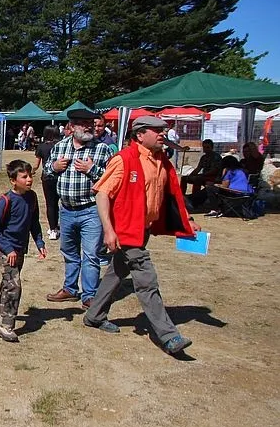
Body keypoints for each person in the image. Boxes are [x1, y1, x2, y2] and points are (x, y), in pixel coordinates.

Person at [82, 115, 199, 355]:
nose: (162, 134)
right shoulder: (124, 160)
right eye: (156, 131)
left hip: (143, 229)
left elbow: (171, 196)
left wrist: (188, 220)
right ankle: (168, 335)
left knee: (116, 273)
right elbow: (102, 193)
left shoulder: (161, 160)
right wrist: (108, 230)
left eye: (163, 130)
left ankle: (94, 316)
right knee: (147, 281)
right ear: (139, 135)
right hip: (126, 232)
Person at [44, 107, 113, 308]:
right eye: (83, 123)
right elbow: (48, 172)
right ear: (72, 127)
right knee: (69, 252)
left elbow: (111, 181)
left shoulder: (102, 149)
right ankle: (70, 289)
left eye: (90, 123)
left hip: (91, 210)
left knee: (91, 254)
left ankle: (89, 295)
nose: (89, 127)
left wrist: (92, 170)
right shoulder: (60, 147)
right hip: (66, 209)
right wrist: (54, 168)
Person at [0, 159, 47, 342]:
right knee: (14, 286)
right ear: (13, 180)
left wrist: (40, 242)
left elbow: (33, 223)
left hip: (20, 249)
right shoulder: (5, 200)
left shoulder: (32, 197)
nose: (29, 180)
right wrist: (8, 249)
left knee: (8, 280)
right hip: (6, 249)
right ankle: (6, 326)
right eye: (24, 176)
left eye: (30, 176)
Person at [33, 125, 61, 240]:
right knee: (58, 203)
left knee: (50, 204)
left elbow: (36, 164)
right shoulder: (60, 146)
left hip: (47, 177)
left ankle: (52, 229)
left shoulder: (41, 147)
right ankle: (57, 225)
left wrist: (32, 171)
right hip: (59, 176)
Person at [181, 139, 222, 206]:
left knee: (198, 179)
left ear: (212, 148)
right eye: (204, 147)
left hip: (214, 177)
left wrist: (202, 175)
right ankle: (181, 197)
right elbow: (198, 168)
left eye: (207, 147)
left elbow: (215, 170)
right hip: (204, 176)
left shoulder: (216, 157)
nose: (205, 149)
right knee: (184, 178)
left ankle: (195, 199)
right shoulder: (204, 157)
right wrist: (191, 175)